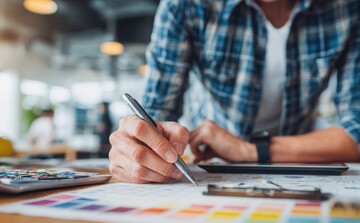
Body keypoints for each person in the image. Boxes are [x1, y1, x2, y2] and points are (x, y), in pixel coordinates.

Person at [109, 0, 360, 183]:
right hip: (208, 164)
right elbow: (155, 116)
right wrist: (140, 146)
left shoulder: (347, 8)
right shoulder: (185, 5)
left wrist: (248, 150)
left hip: (300, 167)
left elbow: (357, 127)